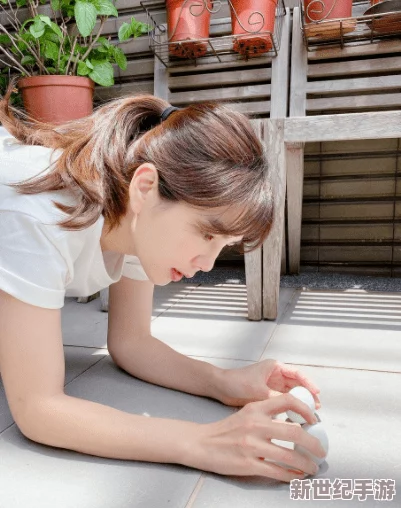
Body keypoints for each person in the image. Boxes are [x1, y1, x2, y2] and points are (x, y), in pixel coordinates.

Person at [0, 84, 325, 483]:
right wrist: (202, 442)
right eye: (207, 234)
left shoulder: (136, 218)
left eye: (224, 246)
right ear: (146, 187)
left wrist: (222, 381)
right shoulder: (38, 212)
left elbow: (131, 342)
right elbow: (38, 409)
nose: (207, 265)